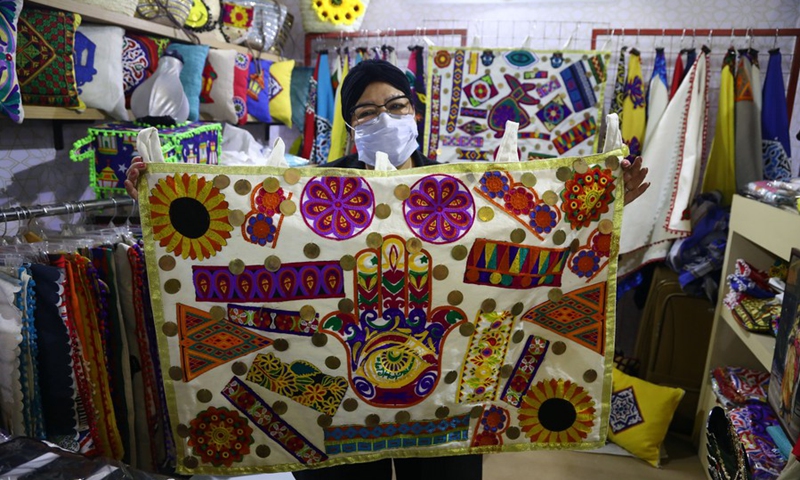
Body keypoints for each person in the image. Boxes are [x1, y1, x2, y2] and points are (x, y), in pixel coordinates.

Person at [124, 59, 649, 480]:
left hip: (445, 407)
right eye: (368, 111)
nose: (385, 117)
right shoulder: (317, 194)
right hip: (340, 411)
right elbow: (243, 235)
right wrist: (164, 201)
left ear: (415, 111)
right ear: (351, 125)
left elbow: (542, 237)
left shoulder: (463, 189)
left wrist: (603, 204)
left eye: (396, 105)